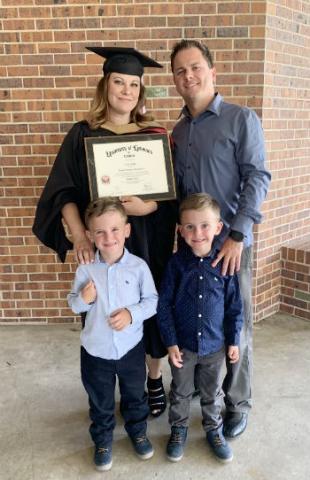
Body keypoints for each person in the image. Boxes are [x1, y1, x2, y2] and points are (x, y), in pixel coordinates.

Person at [32, 46, 177, 417]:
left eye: (134, 84)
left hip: (146, 236)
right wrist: (79, 234)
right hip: (103, 241)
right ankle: (107, 377)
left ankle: (153, 378)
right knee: (105, 306)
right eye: (119, 82)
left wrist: (150, 206)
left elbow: (175, 191)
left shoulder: (156, 134)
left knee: (146, 301)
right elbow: (62, 190)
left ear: (140, 91)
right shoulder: (82, 134)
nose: (126, 91)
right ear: (105, 85)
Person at [170, 39, 271, 438]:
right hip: (190, 248)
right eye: (179, 71)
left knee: (235, 325)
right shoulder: (177, 131)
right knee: (194, 318)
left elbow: (257, 178)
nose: (188, 76)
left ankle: (237, 403)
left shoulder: (240, 119)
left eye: (195, 67)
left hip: (229, 244)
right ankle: (202, 383)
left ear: (212, 71)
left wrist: (237, 235)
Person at [68, 197, 158, 471]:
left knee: (135, 394)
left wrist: (132, 313)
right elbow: (73, 304)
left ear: (127, 230)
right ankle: (103, 438)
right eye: (100, 232)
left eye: (115, 230)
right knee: (100, 399)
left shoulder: (139, 267)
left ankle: (137, 430)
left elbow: (152, 301)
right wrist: (84, 298)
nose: (109, 238)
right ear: (89, 236)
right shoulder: (86, 269)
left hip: (131, 349)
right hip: (95, 352)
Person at [157, 193, 243, 463]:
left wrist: (233, 341)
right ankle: (179, 428)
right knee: (181, 392)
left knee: (211, 392)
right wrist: (170, 343)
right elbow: (164, 307)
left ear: (218, 227)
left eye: (205, 225)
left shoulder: (226, 265)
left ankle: (213, 429)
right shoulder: (176, 265)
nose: (198, 233)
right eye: (190, 227)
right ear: (181, 231)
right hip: (183, 348)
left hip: (215, 348)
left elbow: (234, 308)